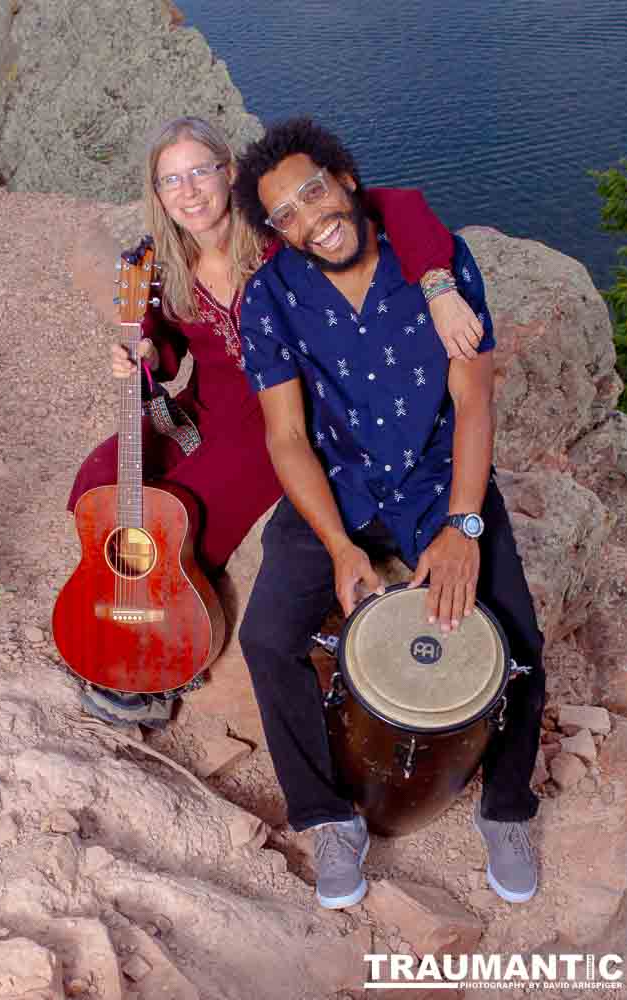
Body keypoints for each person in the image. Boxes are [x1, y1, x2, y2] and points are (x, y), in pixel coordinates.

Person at [68, 115, 485, 727]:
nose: (189, 191)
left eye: (201, 172)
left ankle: (156, 656)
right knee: (101, 479)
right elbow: (169, 351)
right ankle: (106, 601)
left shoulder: (276, 231)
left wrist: (439, 283)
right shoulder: (159, 261)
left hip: (282, 416)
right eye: (170, 180)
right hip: (205, 407)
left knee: (186, 512)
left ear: (229, 173)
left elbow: (397, 205)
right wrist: (146, 355)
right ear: (157, 194)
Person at [233, 118, 545, 909]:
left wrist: (464, 525)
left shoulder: (434, 263)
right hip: (335, 487)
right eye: (285, 214)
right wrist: (338, 546)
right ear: (275, 231)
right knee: (267, 638)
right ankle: (325, 819)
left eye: (313, 191)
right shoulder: (267, 298)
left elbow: (473, 399)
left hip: (437, 483)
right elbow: (286, 435)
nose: (309, 218)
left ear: (343, 178)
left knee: (519, 638)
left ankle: (506, 809)